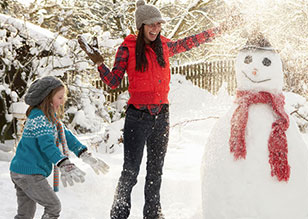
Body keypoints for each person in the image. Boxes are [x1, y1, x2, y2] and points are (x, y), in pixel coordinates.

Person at [78, 0, 238, 218]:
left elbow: (190, 42)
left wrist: (221, 29)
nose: (155, 28)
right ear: (141, 26)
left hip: (161, 116)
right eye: (150, 24)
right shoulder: (127, 48)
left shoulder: (164, 46)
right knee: (130, 171)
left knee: (155, 171)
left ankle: (153, 213)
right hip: (137, 117)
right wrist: (98, 63)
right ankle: (119, 213)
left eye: (158, 24)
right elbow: (113, 81)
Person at [9, 76, 109, 219]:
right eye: (60, 97)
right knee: (53, 206)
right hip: (29, 174)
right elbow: (47, 145)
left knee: (25, 214)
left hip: (22, 171)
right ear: (47, 98)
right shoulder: (39, 118)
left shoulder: (50, 118)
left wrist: (85, 155)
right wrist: (64, 163)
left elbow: (67, 136)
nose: (63, 101)